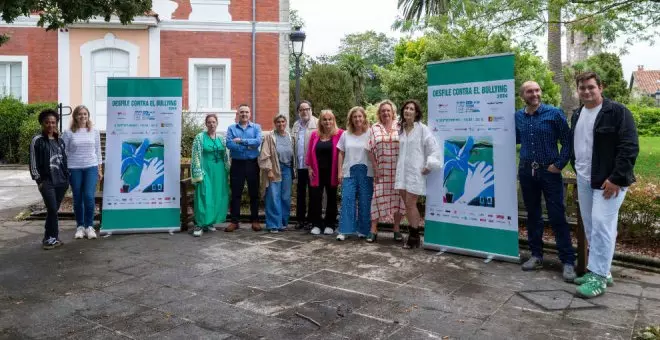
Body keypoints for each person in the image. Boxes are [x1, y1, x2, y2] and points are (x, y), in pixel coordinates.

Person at [571, 72, 639, 298]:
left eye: (591, 87)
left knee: (602, 225)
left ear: (601, 87)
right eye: (582, 88)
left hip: (609, 182)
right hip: (584, 178)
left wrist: (617, 178)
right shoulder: (577, 114)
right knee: (591, 227)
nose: (587, 91)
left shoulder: (618, 112)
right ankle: (602, 270)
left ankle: (598, 277)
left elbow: (629, 148)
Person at [515, 81, 576, 282]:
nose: (534, 94)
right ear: (522, 95)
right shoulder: (518, 116)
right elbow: (511, 138)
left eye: (537, 90)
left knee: (557, 215)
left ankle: (567, 261)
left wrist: (559, 164)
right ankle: (536, 256)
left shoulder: (554, 113)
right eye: (529, 91)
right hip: (526, 171)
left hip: (549, 172)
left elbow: (567, 141)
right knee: (533, 215)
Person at [395, 100, 441, 249]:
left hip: (415, 173)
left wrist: (429, 166)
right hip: (402, 172)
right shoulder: (400, 129)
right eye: (406, 108)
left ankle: (414, 236)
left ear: (416, 113)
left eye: (411, 109)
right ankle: (414, 236)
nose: (408, 111)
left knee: (410, 203)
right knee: (407, 205)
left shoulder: (422, 129)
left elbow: (433, 148)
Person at [29, 109, 69, 250]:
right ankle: (51, 238)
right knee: (52, 208)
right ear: (42, 123)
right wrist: (39, 181)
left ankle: (49, 237)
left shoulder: (60, 140)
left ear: (56, 123)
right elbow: (33, 162)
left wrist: (67, 177)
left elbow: (64, 159)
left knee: (53, 210)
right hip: (47, 181)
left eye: (53, 122)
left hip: (61, 181)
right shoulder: (37, 140)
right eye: (47, 122)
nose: (50, 125)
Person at [366, 100, 405, 243]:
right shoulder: (374, 128)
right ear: (379, 113)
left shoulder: (401, 126)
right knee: (376, 198)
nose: (385, 113)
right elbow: (369, 149)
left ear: (393, 112)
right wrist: (375, 167)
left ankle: (396, 229)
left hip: (398, 170)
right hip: (381, 170)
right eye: (383, 111)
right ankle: (373, 230)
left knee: (398, 199)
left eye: (388, 110)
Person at [62, 105, 102, 240]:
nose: (82, 116)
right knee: (78, 198)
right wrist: (65, 169)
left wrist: (99, 169)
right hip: (74, 168)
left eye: (85, 114)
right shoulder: (68, 133)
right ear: (75, 116)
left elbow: (98, 152)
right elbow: (64, 152)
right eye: (79, 114)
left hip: (91, 167)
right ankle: (80, 226)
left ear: (88, 116)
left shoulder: (94, 131)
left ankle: (89, 226)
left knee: (89, 197)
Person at [336, 106, 373, 241]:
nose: (357, 119)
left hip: (366, 172)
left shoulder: (370, 133)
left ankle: (363, 230)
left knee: (365, 201)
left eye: (360, 116)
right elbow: (341, 153)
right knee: (347, 200)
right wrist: (340, 171)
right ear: (351, 119)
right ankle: (344, 230)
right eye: (355, 117)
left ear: (364, 118)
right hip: (349, 172)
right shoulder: (345, 134)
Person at [225, 104, 263, 232]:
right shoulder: (231, 128)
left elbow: (257, 142)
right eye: (241, 112)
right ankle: (234, 221)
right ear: (238, 114)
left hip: (252, 163)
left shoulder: (256, 127)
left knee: (254, 194)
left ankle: (255, 220)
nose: (244, 114)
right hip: (237, 164)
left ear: (250, 114)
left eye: (246, 112)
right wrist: (248, 144)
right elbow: (229, 144)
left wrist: (241, 141)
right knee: (236, 193)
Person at [191, 114, 230, 237]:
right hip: (205, 171)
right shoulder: (200, 137)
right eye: (209, 122)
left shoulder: (221, 138)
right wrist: (198, 172)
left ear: (217, 123)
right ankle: (199, 224)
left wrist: (227, 171)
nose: (211, 124)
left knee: (215, 196)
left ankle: (209, 222)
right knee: (203, 195)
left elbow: (226, 156)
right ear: (206, 124)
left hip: (219, 172)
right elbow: (195, 155)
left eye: (214, 122)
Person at [306, 110, 344, 235]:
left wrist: (341, 171)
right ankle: (317, 224)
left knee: (332, 198)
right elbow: (309, 154)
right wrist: (310, 168)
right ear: (320, 121)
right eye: (325, 119)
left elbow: (343, 153)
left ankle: (330, 224)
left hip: (332, 171)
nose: (327, 122)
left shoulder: (340, 134)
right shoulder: (314, 135)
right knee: (315, 198)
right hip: (316, 172)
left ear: (333, 120)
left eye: (330, 119)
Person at [259, 114, 295, 233]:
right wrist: (269, 170)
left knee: (285, 197)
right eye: (278, 122)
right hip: (274, 169)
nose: (281, 124)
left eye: (283, 122)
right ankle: (274, 224)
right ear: (275, 123)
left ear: (286, 123)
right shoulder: (270, 137)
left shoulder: (290, 136)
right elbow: (264, 154)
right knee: (273, 197)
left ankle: (283, 223)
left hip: (287, 169)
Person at [292, 100, 318, 229]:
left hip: (312, 167)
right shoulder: (296, 125)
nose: (304, 112)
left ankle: (311, 220)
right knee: (300, 194)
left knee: (313, 193)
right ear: (298, 112)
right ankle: (300, 220)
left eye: (306, 109)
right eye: (301, 110)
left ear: (311, 109)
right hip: (300, 166)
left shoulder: (317, 123)